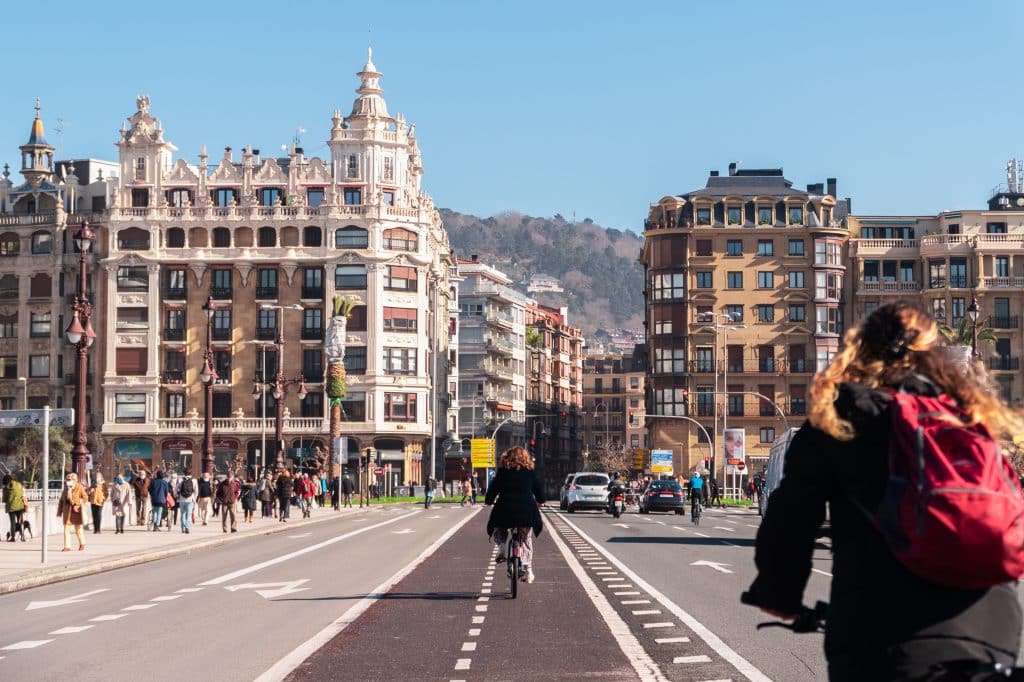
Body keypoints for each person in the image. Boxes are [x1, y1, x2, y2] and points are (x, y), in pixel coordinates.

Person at [745, 301, 1024, 680]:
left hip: (883, 635)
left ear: (860, 351)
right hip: (994, 630)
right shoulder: (966, 418)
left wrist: (778, 595)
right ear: (934, 356)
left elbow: (789, 521)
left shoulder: (842, 417)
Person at [485, 446, 545, 584]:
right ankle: (528, 568)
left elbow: (493, 490)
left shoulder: (502, 472)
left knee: (499, 527)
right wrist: (541, 500)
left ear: (508, 458)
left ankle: (501, 546)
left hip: (505, 509)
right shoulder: (530, 472)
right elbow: (539, 490)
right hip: (526, 511)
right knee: (526, 538)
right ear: (526, 458)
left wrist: (489, 500)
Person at [58, 472, 89, 551]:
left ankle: (82, 543)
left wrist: (78, 504)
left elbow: (85, 498)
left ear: (75, 480)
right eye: (67, 479)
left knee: (78, 528)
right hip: (67, 511)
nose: (68, 481)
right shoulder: (66, 487)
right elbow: (61, 500)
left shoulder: (79, 487)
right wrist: (59, 511)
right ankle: (67, 546)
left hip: (76, 511)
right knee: (66, 528)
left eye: (70, 479)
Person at [2, 474, 26, 542]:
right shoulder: (19, 485)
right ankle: (22, 536)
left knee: (12, 522)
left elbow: (3, 499)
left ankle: (13, 537)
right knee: (20, 521)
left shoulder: (6, 489)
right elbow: (22, 493)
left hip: (11, 507)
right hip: (20, 506)